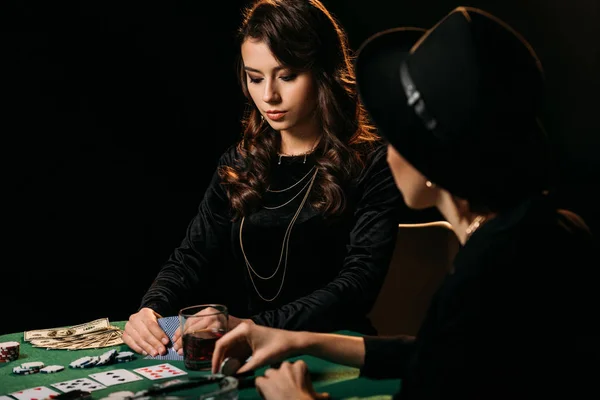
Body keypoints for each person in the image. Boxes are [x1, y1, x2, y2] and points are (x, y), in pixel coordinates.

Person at [210, 6, 599, 399]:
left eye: (396, 136)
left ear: (432, 162)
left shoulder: (483, 276)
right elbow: (440, 354)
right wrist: (300, 341)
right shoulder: (542, 229)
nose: (387, 153)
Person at [123, 0, 429, 358]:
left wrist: (256, 327)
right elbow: (190, 256)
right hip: (248, 347)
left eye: (286, 76)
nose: (268, 95)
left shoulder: (372, 164)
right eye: (255, 78)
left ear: (323, 72)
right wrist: (151, 309)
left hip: (333, 351)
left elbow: (357, 283)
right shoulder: (240, 161)